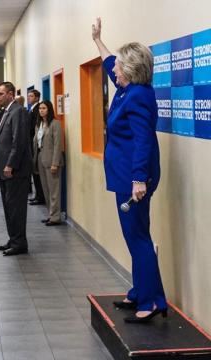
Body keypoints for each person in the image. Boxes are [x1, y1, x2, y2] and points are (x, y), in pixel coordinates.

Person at [92, 18, 166, 323]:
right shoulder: (127, 90)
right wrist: (98, 40)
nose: (115, 71)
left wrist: (138, 179)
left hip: (133, 177)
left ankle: (150, 302)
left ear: (132, 70)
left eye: (121, 67)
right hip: (126, 175)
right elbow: (110, 62)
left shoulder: (138, 97)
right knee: (136, 236)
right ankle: (142, 291)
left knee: (138, 238)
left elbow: (143, 141)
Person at [0, 81, 32, 256]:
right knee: (9, 207)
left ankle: (19, 243)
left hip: (15, 170)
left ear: (10, 94)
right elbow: (5, 137)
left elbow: (19, 142)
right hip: (5, 170)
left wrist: (10, 164)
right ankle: (13, 238)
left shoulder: (19, 111)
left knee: (16, 208)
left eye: (1, 94)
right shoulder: (6, 112)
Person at [32, 100, 64, 226]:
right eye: (40, 108)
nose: (41, 110)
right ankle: (50, 214)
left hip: (52, 161)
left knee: (54, 190)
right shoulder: (39, 124)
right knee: (46, 190)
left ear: (49, 109)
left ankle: (55, 217)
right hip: (41, 158)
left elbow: (57, 145)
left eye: (44, 108)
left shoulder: (55, 124)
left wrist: (55, 163)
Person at [27, 89, 46, 206]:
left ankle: (40, 196)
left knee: (37, 173)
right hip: (32, 143)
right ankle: (37, 195)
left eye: (31, 96)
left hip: (35, 143)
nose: (29, 98)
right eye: (28, 96)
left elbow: (34, 127)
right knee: (35, 171)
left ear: (37, 98)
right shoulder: (32, 109)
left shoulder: (37, 109)